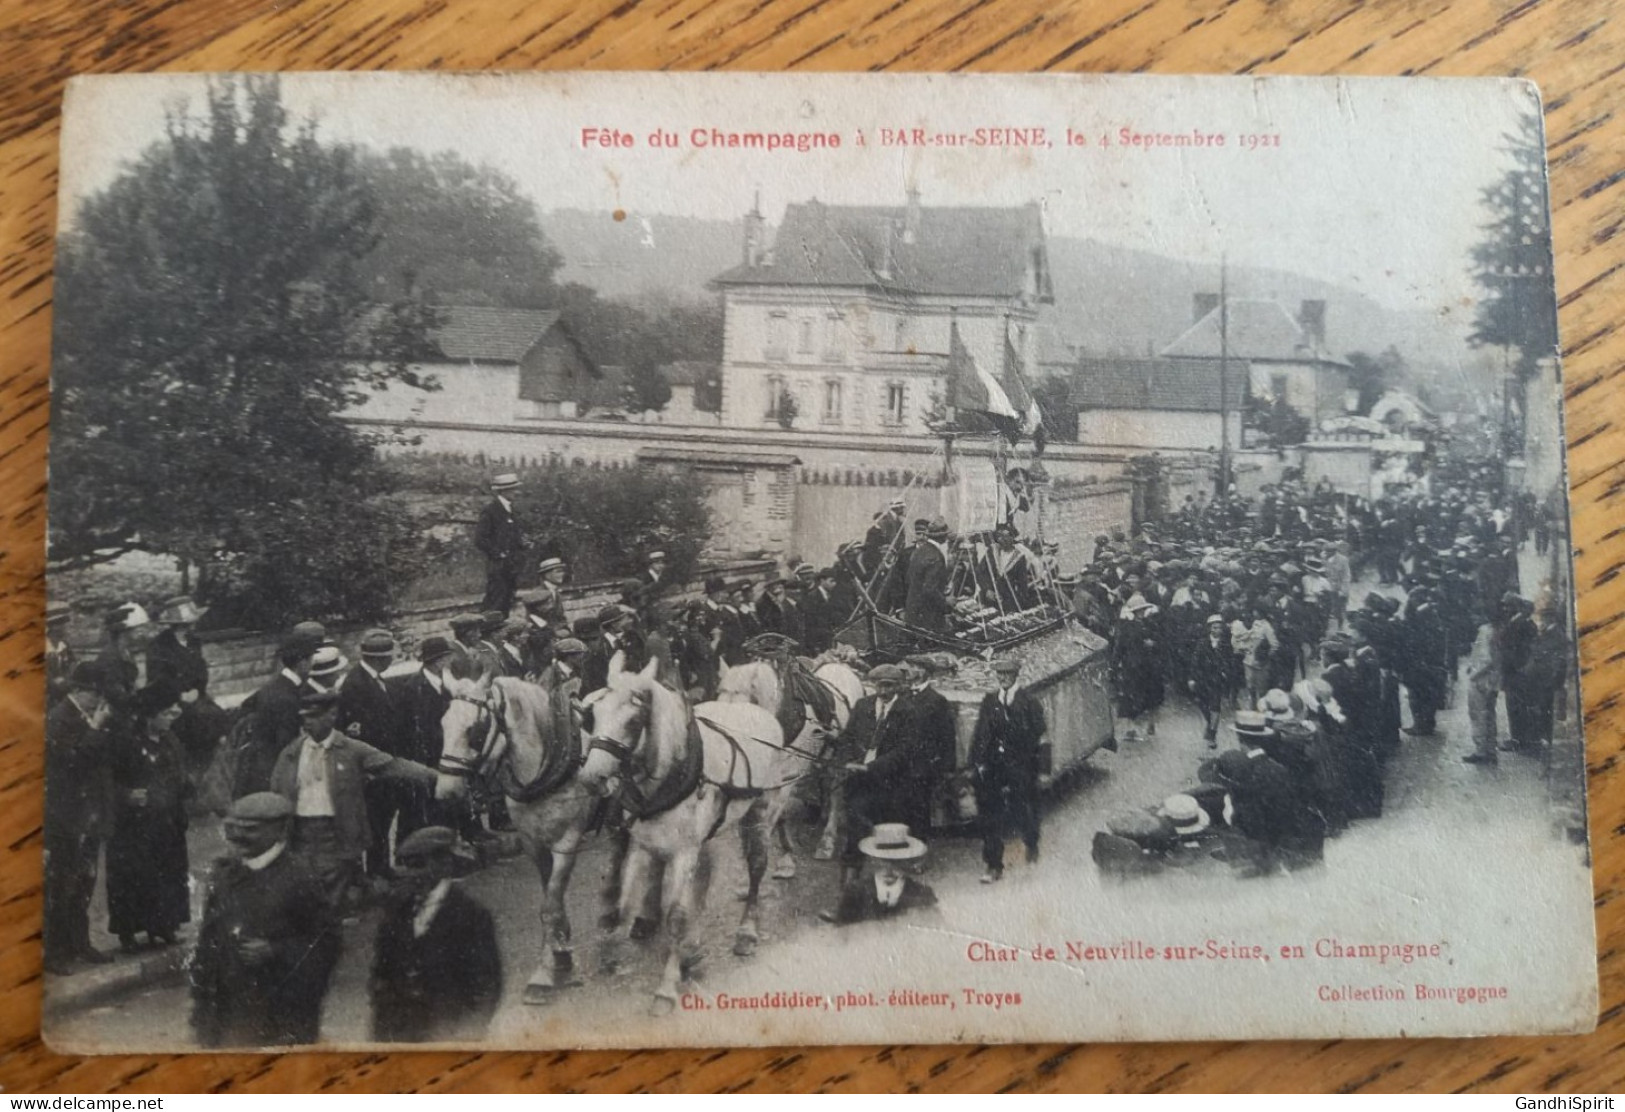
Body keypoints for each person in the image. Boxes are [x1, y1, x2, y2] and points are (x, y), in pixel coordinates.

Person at [269, 686, 439, 913]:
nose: (307, 723)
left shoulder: (351, 750)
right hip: (300, 831)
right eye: (304, 718)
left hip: (335, 831)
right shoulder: (292, 752)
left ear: (331, 716)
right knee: (306, 887)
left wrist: (436, 776)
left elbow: (393, 765)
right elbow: (276, 787)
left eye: (314, 717)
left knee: (333, 894)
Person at [190, 792, 340, 1048]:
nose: (237, 837)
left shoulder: (301, 878)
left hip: (276, 1015)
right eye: (232, 828)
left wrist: (275, 951)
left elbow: (326, 944)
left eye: (250, 830)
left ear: (280, 831)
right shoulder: (225, 874)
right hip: (224, 1012)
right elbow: (208, 939)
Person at [368, 826, 503, 1043]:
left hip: (450, 1030)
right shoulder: (396, 913)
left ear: (443, 864)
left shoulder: (470, 915)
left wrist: (469, 1033)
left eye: (418, 865)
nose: (410, 873)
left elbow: (486, 985)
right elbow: (381, 978)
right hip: (403, 1034)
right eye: (405, 865)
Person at [106, 683, 193, 952]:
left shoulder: (171, 741)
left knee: (166, 875)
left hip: (167, 824)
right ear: (149, 715)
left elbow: (180, 776)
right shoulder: (125, 743)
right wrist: (126, 796)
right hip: (133, 828)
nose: (173, 715)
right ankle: (128, 933)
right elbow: (105, 783)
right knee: (133, 877)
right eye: (167, 712)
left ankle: (164, 927)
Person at [43, 662, 116, 974]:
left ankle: (79, 942)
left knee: (85, 880)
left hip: (87, 814)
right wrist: (95, 729)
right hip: (64, 816)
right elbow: (72, 764)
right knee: (62, 884)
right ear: (78, 691)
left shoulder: (83, 716)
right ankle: (56, 952)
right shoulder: (60, 719)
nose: (98, 701)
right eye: (94, 694)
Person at [339, 630, 414, 881]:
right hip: (372, 767)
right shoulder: (356, 685)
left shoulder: (374, 680)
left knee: (383, 817)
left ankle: (381, 867)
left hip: (384, 761)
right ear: (380, 659)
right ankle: (376, 870)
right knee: (376, 819)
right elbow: (361, 730)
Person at [969, 658, 1047, 883]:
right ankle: (994, 864)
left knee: (1022, 808)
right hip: (994, 766)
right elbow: (980, 734)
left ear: (1015, 676)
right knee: (989, 813)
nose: (1003, 678)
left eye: (1007, 675)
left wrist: (1042, 770)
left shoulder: (1029, 702)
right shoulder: (990, 701)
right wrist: (977, 762)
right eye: (999, 675)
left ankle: (1031, 842)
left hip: (1022, 765)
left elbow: (1041, 737)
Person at [146, 595, 228, 786]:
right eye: (187, 623)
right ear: (176, 624)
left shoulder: (194, 642)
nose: (191, 626)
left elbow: (201, 672)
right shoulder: (159, 646)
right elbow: (157, 679)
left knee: (218, 718)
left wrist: (197, 691)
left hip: (196, 696)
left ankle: (206, 773)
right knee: (195, 721)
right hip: (170, 700)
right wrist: (179, 694)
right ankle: (189, 775)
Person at [232, 624, 322, 798]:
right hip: (271, 773)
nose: (312, 665)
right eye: (311, 660)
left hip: (258, 768)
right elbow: (286, 745)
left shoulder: (276, 685)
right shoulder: (287, 697)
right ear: (302, 663)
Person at [819, 824, 939, 925]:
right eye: (883, 861)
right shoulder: (855, 892)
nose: (889, 869)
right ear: (872, 860)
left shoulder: (922, 894)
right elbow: (840, 937)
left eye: (896, 861)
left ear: (908, 862)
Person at [474, 472, 526, 614]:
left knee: (507, 602)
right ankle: (487, 633)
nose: (517, 492)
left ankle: (502, 634)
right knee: (495, 603)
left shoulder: (513, 510)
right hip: (498, 567)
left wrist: (522, 543)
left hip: (512, 566)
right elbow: (480, 539)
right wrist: (499, 554)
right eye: (514, 489)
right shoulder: (491, 510)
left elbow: (512, 536)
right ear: (504, 491)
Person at [1188, 614, 1233, 747]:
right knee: (1202, 704)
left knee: (1215, 706)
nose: (1217, 630)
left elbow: (1230, 660)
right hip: (1203, 678)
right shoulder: (1202, 643)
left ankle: (1212, 734)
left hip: (1217, 679)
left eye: (1219, 627)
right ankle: (1210, 723)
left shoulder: (1225, 644)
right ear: (1209, 629)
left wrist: (1225, 672)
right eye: (1214, 627)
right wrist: (1192, 678)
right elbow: (1195, 662)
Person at [904, 519, 953, 633]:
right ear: (942, 537)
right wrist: (945, 601)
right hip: (928, 615)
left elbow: (910, 578)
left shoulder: (919, 551)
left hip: (913, 609)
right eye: (945, 535)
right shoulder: (935, 556)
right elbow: (929, 589)